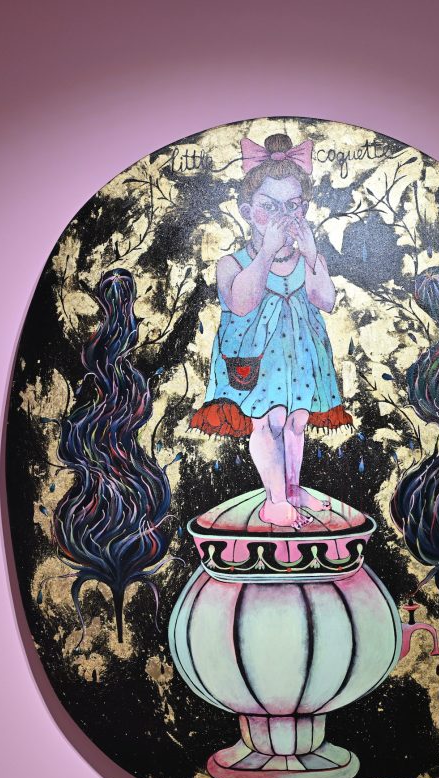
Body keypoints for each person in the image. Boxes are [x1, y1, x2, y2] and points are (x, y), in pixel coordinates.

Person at [190, 132, 352, 529]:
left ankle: (292, 489)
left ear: (304, 209)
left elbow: (326, 300)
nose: (283, 216)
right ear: (248, 211)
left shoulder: (310, 257)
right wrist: (266, 252)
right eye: (269, 207)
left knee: (297, 420)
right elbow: (242, 303)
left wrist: (311, 255)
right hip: (256, 357)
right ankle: (274, 500)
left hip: (300, 354)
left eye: (292, 206)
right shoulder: (233, 262)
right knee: (270, 420)